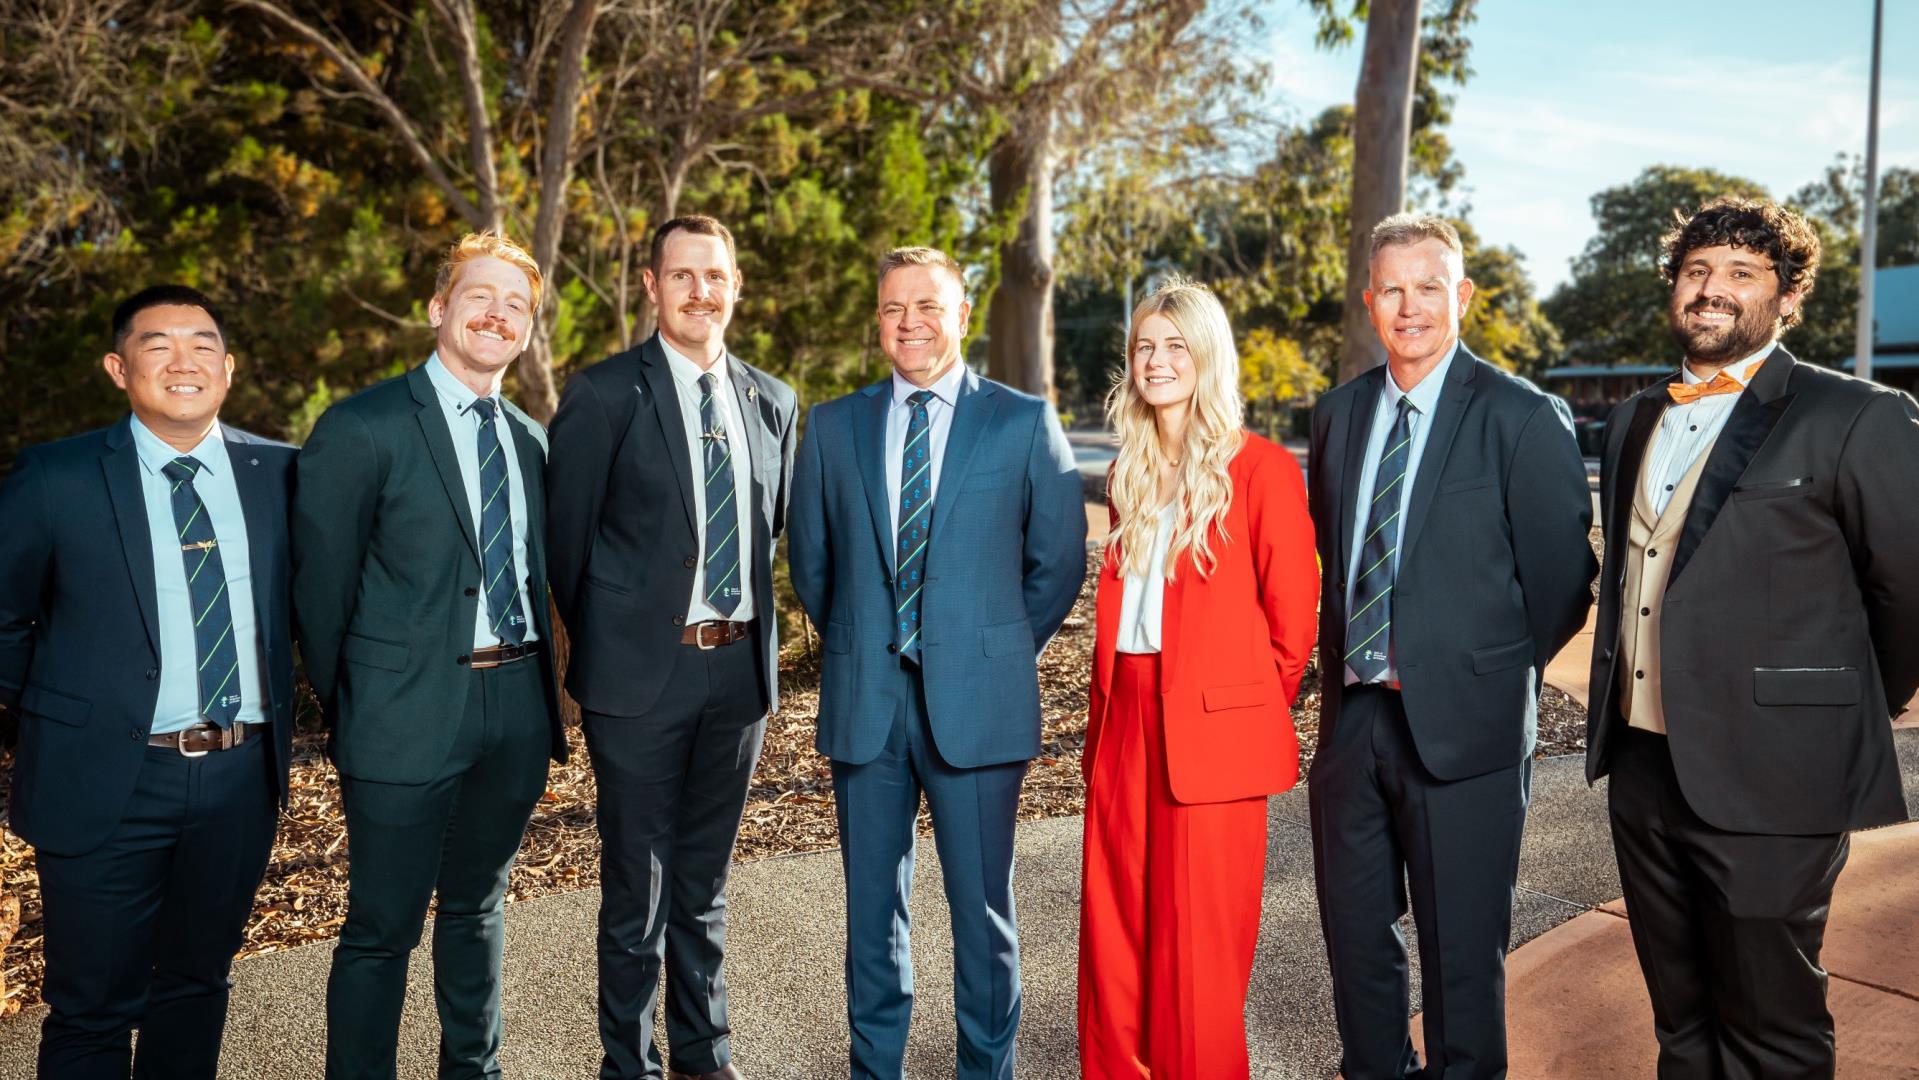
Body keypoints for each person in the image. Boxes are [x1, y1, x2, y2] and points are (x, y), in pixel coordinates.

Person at [1586, 196, 1919, 1078]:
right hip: (1643, 764)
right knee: (1679, 1017)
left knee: (1770, 1024)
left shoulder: (1857, 414)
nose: (1712, 288)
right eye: (1696, 270)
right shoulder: (1632, 418)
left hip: (1778, 768)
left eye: (1740, 272)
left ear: (1787, 296)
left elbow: (1907, 591)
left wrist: (1837, 707)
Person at [1307, 213, 1596, 1078]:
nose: (1410, 307)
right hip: (1354, 723)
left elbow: (1560, 584)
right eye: (1392, 290)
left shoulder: (1520, 415)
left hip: (1466, 729)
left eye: (1428, 287)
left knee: (1461, 958)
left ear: (1460, 294)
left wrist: (1479, 670)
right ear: (1369, 301)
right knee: (1355, 946)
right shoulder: (1337, 415)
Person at [787, 246, 1086, 1079]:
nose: (908, 322)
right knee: (870, 919)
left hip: (979, 705)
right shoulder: (834, 426)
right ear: (878, 321)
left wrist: (988, 651)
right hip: (868, 703)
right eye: (892, 308)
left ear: (961, 314)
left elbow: (1057, 562)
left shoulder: (1021, 421)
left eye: (926, 305)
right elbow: (813, 564)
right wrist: (867, 640)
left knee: (982, 916)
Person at [0, 286, 296, 1078]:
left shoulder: (282, 473)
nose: (183, 361)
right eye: (157, 345)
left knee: (196, 985)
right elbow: (3, 620)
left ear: (228, 368)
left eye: (203, 345)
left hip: (241, 775)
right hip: (104, 777)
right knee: (92, 1008)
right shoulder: (56, 476)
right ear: (117, 367)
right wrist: (65, 714)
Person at [292, 232, 567, 1079]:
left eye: (516, 305)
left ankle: (472, 1070)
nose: (497, 315)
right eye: (480, 296)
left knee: (479, 907)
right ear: (438, 308)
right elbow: (321, 594)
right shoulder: (363, 426)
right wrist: (359, 703)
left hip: (516, 708)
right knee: (382, 927)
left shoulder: (530, 439)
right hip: (399, 712)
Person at [546, 214, 798, 1080]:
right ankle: (631, 1065)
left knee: (704, 884)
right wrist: (618, 639)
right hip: (638, 682)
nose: (700, 291)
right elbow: (566, 547)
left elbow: (772, 531)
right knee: (637, 889)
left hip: (738, 677)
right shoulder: (605, 393)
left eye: (715, 275)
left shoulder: (772, 401)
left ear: (736, 286)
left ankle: (704, 1053)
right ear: (652, 286)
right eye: (682, 275)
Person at [1076, 280, 1319, 1078]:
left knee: (1197, 952)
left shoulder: (1261, 470)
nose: (1155, 360)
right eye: (1143, 346)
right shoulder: (1129, 469)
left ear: (1207, 356)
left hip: (1212, 734)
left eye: (1174, 345)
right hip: (1122, 721)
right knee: (1114, 933)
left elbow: (1291, 628)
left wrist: (1233, 715)